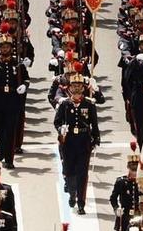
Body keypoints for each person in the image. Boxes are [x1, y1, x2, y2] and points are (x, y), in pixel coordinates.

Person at [55, 77, 100, 212]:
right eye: (74, 88)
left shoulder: (89, 104)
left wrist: (96, 138)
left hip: (83, 141)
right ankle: (72, 193)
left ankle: (81, 203)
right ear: (70, 89)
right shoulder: (65, 105)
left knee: (82, 173)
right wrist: (60, 129)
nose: (76, 92)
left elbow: (94, 123)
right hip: (68, 142)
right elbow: (57, 122)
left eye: (79, 89)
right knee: (69, 171)